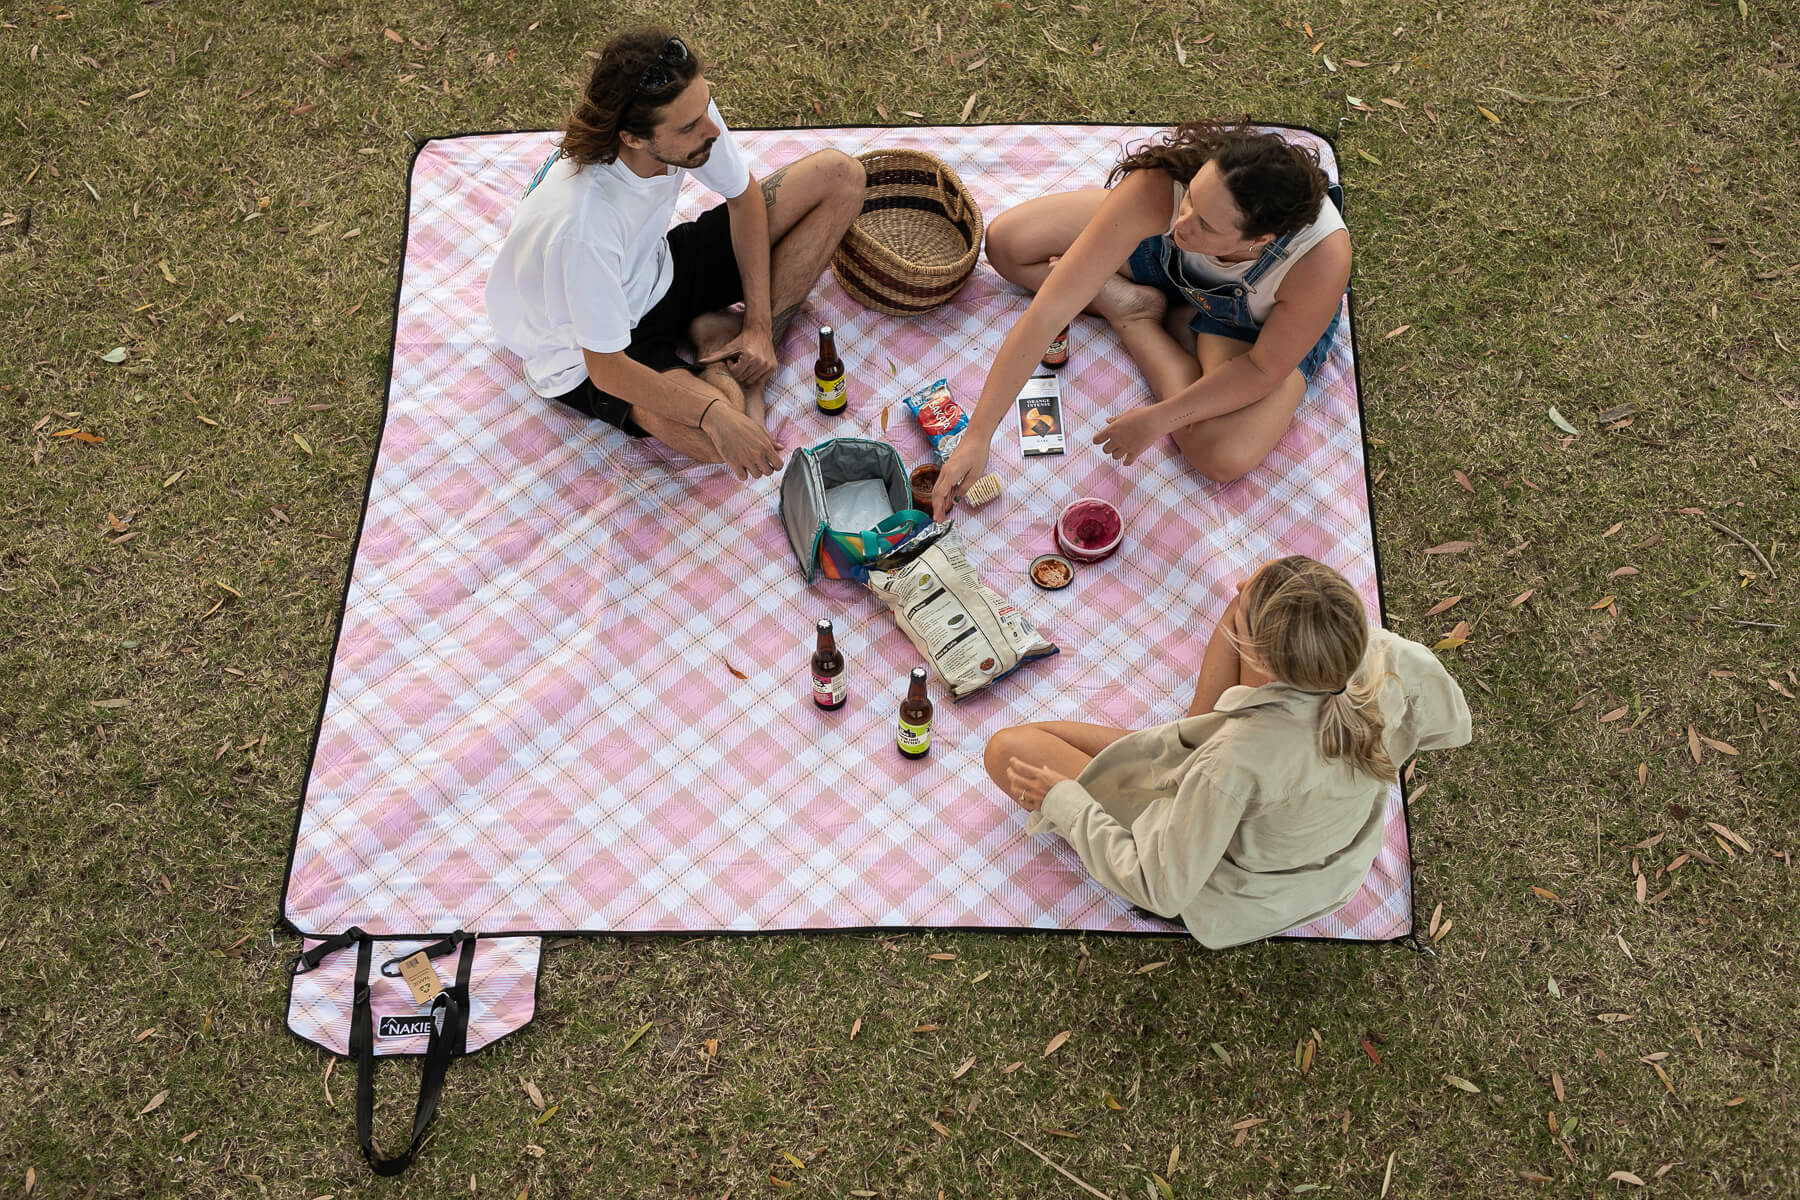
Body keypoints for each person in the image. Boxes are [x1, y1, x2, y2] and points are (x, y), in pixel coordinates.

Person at [983, 556, 1470, 948]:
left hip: (1232, 890)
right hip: (1330, 861)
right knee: (1251, 597)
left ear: (1259, 661)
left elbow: (1161, 888)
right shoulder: (1392, 656)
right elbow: (1447, 729)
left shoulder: (1233, 762)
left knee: (1009, 747)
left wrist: (1065, 801)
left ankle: (1175, 744)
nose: (1236, 587)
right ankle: (1193, 724)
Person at [485, 30, 865, 481]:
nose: (712, 130)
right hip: (590, 351)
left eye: (705, 108)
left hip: (655, 269)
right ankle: (719, 351)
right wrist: (715, 416)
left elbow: (743, 199)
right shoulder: (584, 227)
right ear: (633, 138)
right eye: (689, 127)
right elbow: (605, 368)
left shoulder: (686, 109)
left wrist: (760, 327)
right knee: (728, 438)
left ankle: (729, 336)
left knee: (840, 176)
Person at [931, 122, 1350, 518]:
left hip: (1246, 324)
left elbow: (1261, 368)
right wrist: (978, 435)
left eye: (1205, 223)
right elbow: (1047, 314)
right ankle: (1139, 304)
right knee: (1009, 244)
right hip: (1165, 264)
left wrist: (1159, 419)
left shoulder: (1320, 259)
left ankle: (1135, 318)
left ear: (1260, 240)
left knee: (1220, 454)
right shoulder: (1164, 195)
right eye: (1191, 197)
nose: (1182, 224)